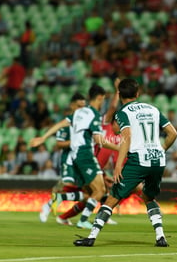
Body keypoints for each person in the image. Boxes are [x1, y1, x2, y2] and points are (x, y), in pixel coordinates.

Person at [73, 78, 177, 247]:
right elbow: (173, 134)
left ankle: (91, 237)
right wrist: (161, 149)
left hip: (138, 160)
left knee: (112, 198)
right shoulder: (153, 109)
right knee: (149, 196)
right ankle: (160, 237)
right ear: (138, 93)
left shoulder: (123, 113)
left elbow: (126, 137)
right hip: (158, 160)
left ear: (120, 94)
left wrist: (118, 166)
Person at [31, 85, 118, 229]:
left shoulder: (78, 113)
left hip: (76, 156)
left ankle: (59, 199)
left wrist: (44, 137)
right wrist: (119, 148)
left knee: (88, 194)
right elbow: (98, 140)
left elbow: (61, 123)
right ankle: (83, 220)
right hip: (85, 155)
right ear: (100, 98)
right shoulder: (94, 114)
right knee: (100, 191)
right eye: (103, 99)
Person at [38, 92, 86, 224]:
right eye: (79, 106)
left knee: (89, 192)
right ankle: (51, 205)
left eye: (84, 106)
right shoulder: (66, 123)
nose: (82, 109)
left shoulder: (87, 123)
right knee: (76, 187)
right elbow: (59, 144)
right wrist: (75, 142)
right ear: (72, 106)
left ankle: (54, 205)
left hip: (83, 159)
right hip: (69, 159)